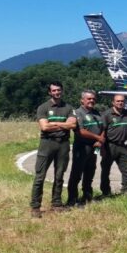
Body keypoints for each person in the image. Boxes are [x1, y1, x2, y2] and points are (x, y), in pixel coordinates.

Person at [31, 82, 77, 218]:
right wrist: (64, 125)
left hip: (63, 144)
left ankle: (56, 203)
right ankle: (35, 206)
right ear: (49, 92)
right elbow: (44, 127)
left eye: (59, 90)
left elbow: (73, 124)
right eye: (54, 90)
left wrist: (54, 123)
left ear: (62, 91)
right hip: (47, 144)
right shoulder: (43, 107)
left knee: (59, 175)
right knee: (40, 176)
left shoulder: (68, 107)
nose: (57, 92)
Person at [67, 90, 105, 207]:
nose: (92, 101)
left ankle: (87, 197)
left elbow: (104, 127)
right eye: (89, 99)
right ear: (82, 100)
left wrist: (100, 140)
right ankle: (72, 199)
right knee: (76, 174)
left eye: (93, 99)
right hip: (82, 147)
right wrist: (98, 137)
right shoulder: (77, 113)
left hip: (94, 148)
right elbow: (80, 131)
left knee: (90, 172)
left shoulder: (97, 113)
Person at [100, 94, 127, 196]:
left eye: (122, 101)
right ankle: (106, 192)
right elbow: (102, 131)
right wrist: (102, 148)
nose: (120, 103)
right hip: (109, 146)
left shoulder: (126, 114)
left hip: (122, 146)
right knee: (106, 170)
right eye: (118, 101)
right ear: (113, 102)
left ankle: (125, 191)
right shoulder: (107, 114)